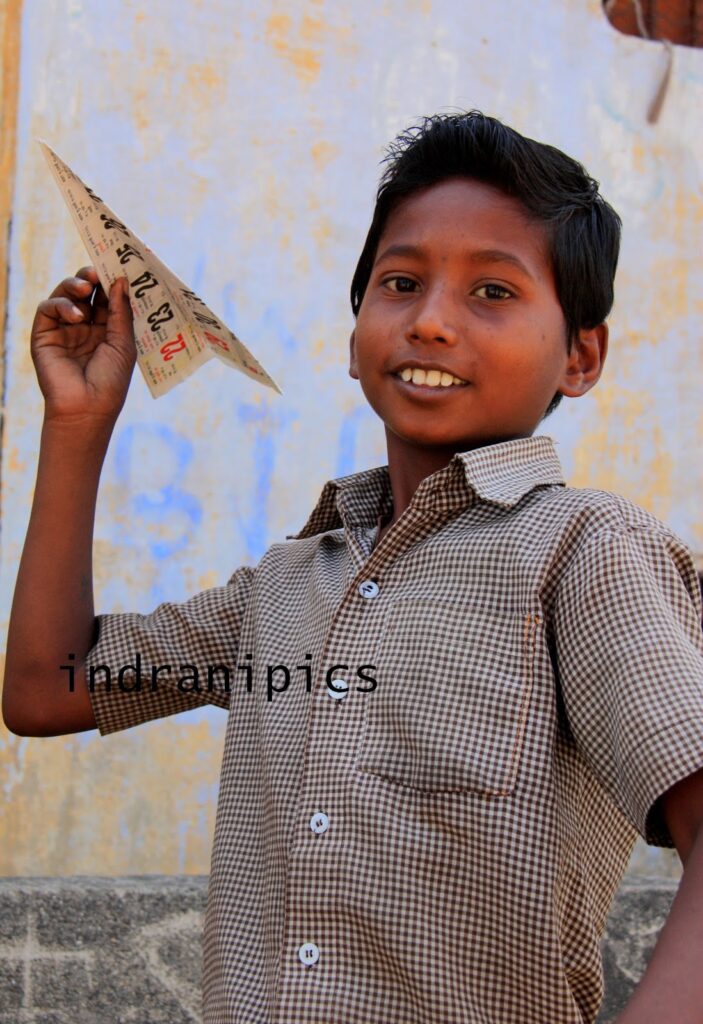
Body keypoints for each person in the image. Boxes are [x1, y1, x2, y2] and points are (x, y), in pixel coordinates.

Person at [3, 110, 703, 1024]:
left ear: (580, 356)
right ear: (354, 333)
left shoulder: (584, 554)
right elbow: (45, 691)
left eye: (492, 292)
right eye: (400, 282)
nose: (431, 323)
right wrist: (76, 426)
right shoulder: (286, 592)